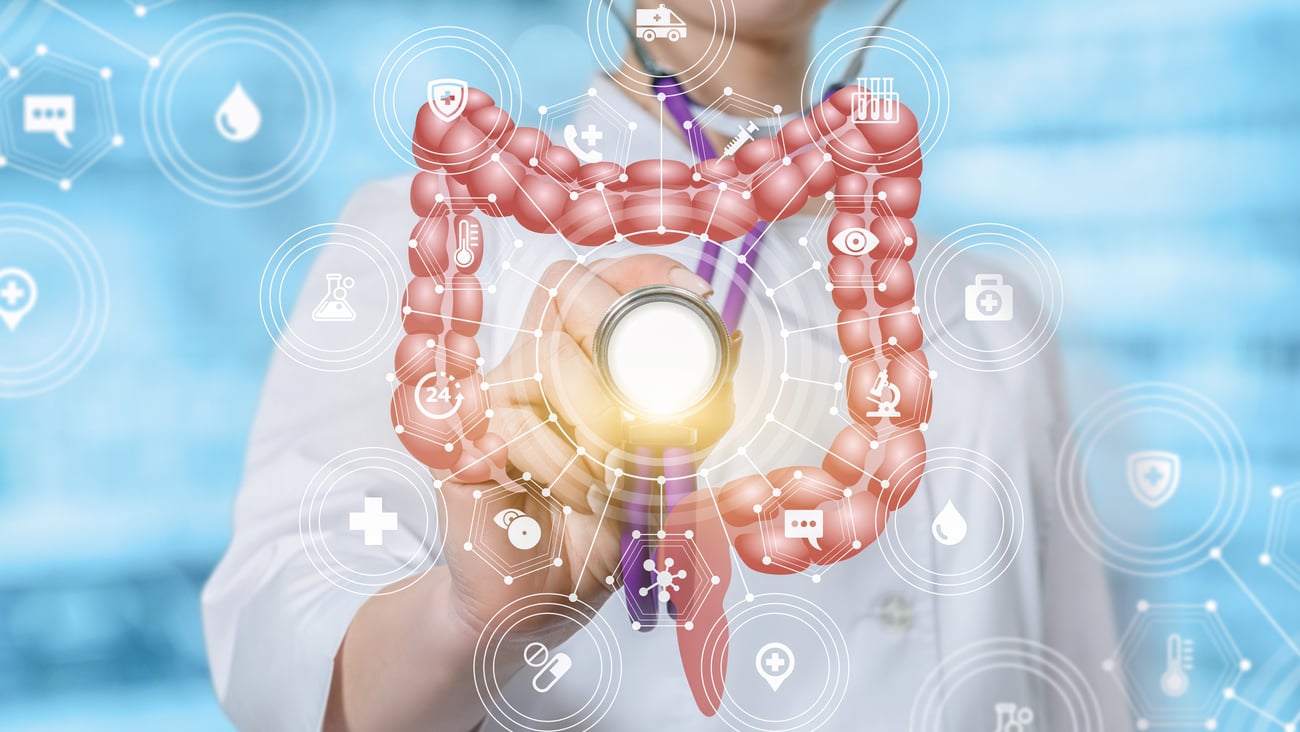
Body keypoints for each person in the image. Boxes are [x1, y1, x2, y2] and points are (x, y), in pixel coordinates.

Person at [203, 1, 1130, 730]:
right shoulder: (434, 243)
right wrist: (475, 621)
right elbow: (287, 672)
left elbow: (1084, 697)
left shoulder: (996, 316)